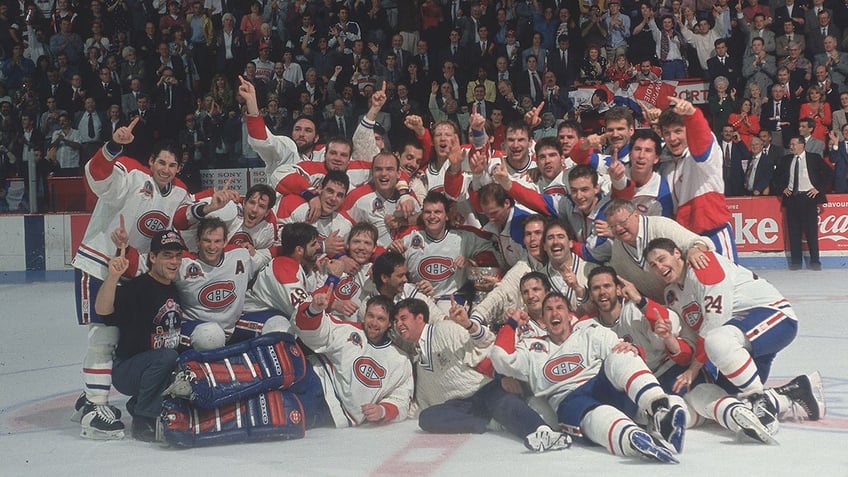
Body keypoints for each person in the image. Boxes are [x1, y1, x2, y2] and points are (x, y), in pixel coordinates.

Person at [71, 117, 193, 440]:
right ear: (151, 161)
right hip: (99, 264)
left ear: (179, 168)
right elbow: (98, 177)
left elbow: (187, 220)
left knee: (119, 336)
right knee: (104, 335)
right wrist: (113, 147)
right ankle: (96, 408)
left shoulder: (179, 193)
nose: (166, 169)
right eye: (161, 162)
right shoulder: (131, 173)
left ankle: (88, 398)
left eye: (173, 164)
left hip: (126, 272)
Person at [644, 238, 823, 430]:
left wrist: (693, 369)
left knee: (717, 340)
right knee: (729, 402)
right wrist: (670, 339)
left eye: (662, 259)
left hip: (773, 316)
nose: (659, 267)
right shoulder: (672, 294)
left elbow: (714, 323)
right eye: (654, 265)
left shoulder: (703, 265)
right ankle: (792, 394)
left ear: (677, 253)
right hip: (739, 339)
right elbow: (694, 337)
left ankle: (758, 398)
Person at [490, 291, 686, 463]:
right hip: (569, 400)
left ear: (569, 315)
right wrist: (512, 323)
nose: (555, 313)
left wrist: (633, 348)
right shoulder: (531, 348)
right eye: (548, 309)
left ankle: (659, 409)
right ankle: (633, 439)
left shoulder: (588, 332)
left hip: (600, 386)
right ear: (542, 317)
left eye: (560, 308)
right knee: (595, 414)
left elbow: (621, 350)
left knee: (621, 352)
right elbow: (501, 358)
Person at [393, 297, 573, 453]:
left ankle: (542, 430)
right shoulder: (418, 358)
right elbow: (422, 403)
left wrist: (469, 325)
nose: (399, 324)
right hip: (463, 406)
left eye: (403, 318)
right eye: (396, 320)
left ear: (420, 318)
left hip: (484, 389)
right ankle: (494, 421)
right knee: (427, 418)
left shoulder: (444, 329)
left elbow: (484, 344)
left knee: (499, 400)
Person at [95, 229, 186, 441]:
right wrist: (113, 276)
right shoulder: (138, 288)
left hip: (154, 366)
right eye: (167, 256)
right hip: (128, 370)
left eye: (177, 256)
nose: (174, 262)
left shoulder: (175, 290)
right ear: (152, 258)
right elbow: (103, 310)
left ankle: (138, 403)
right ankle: (143, 419)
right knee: (167, 357)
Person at [774, 136, 831, 270]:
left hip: (809, 198)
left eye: (794, 144)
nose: (791, 147)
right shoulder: (786, 159)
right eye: (790, 144)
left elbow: (829, 173)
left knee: (811, 232)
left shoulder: (814, 158)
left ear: (802, 145)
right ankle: (796, 262)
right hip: (792, 198)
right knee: (793, 232)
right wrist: (783, 188)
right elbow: (775, 177)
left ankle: (815, 261)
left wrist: (818, 188)